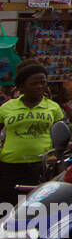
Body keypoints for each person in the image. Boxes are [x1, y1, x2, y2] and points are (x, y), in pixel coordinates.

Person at [0, 62, 63, 205]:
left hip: (41, 165)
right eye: (34, 83)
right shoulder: (6, 107)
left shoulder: (53, 107)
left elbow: (60, 136)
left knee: (36, 206)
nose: (40, 86)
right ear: (22, 87)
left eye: (43, 83)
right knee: (8, 205)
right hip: (10, 164)